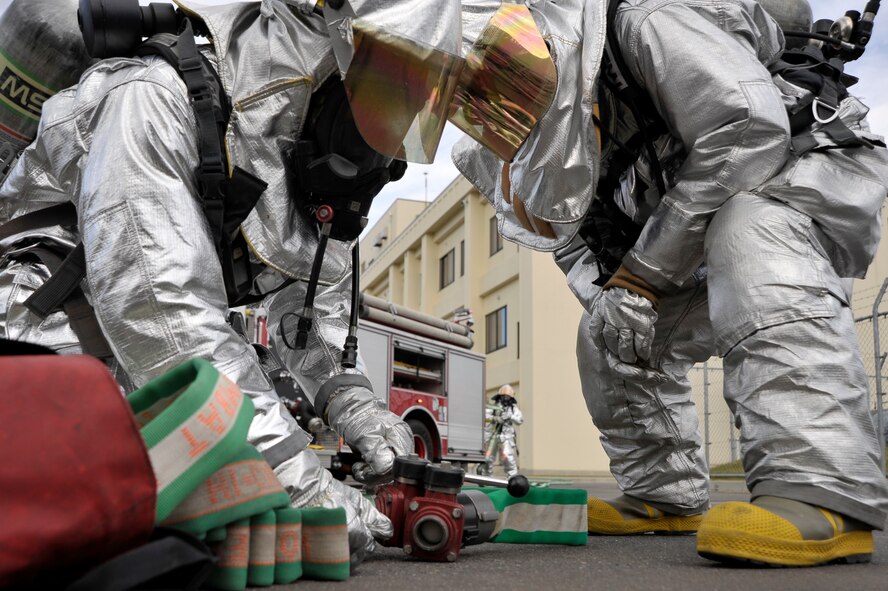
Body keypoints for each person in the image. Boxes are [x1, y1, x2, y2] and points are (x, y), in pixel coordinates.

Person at [0, 0, 492, 564]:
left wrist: (360, 412)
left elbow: (310, 321)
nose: (388, 130)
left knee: (196, 532)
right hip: (40, 327)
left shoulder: (300, 151)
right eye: (384, 94)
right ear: (330, 63)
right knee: (87, 531)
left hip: (135, 353)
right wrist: (299, 481)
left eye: (407, 107)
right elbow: (162, 310)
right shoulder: (152, 96)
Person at [454, 0, 888, 567]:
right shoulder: (519, 135)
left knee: (751, 226)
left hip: (798, 170)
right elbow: (579, 247)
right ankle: (666, 494)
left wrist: (644, 275)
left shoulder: (639, 20)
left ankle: (822, 488)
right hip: (699, 216)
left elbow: (747, 131)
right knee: (603, 334)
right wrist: (620, 297)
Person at [478, 384, 524, 478]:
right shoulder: (493, 407)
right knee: (488, 458)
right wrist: (495, 418)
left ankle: (512, 478)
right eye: (503, 396)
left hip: (506, 437)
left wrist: (510, 416)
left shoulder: (513, 409)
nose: (505, 398)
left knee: (507, 457)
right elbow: (484, 416)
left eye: (507, 397)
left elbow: (520, 420)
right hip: (492, 436)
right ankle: (486, 478)